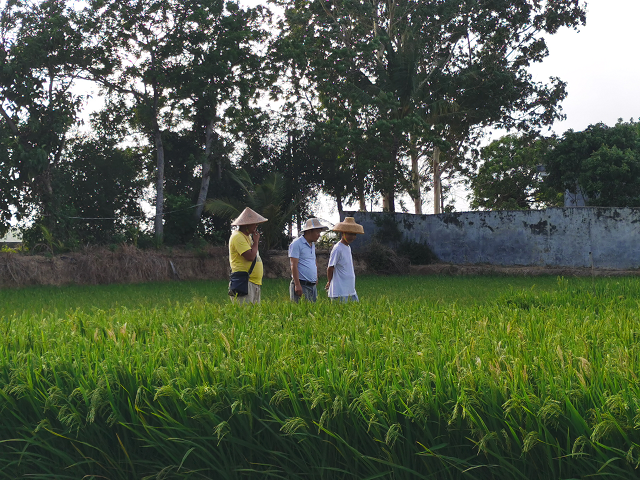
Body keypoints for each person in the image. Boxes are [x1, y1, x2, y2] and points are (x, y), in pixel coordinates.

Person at [228, 207, 268, 304]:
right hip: (245, 283)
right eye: (254, 224)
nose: (256, 226)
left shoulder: (248, 237)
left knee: (254, 316)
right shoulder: (238, 237)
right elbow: (250, 256)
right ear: (246, 225)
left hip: (253, 282)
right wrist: (256, 241)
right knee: (245, 315)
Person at [289, 218, 328, 302]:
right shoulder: (296, 244)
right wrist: (297, 285)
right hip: (301, 285)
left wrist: (315, 277)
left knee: (312, 312)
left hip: (312, 286)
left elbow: (313, 261)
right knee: (300, 312)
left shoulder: (312, 245)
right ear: (309, 231)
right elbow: (293, 265)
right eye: (317, 232)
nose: (319, 235)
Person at [325, 217, 364, 302]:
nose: (352, 237)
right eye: (349, 234)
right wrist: (330, 282)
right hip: (340, 291)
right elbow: (330, 268)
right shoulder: (337, 248)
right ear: (343, 233)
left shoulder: (348, 247)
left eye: (354, 234)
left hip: (350, 290)